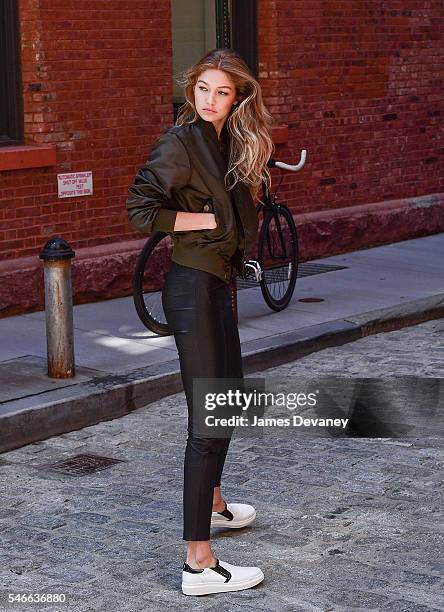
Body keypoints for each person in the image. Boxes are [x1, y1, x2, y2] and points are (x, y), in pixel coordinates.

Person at [126, 48, 274, 596]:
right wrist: (202, 218)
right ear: (192, 89)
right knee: (207, 422)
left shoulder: (224, 141)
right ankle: (198, 564)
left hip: (216, 284)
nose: (211, 100)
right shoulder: (182, 141)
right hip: (191, 287)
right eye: (204, 89)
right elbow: (140, 206)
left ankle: (212, 506)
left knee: (228, 399)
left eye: (223, 92)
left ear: (237, 99)